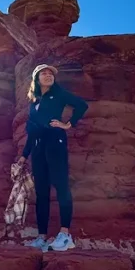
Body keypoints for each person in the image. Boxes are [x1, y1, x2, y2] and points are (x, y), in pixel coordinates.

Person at [17, 63, 88, 251]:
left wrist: (68, 124)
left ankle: (65, 235)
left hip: (55, 143)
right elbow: (31, 132)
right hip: (39, 149)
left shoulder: (59, 94)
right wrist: (24, 156)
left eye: (51, 73)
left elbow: (81, 105)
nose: (48, 76)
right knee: (42, 193)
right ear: (36, 78)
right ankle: (42, 238)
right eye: (44, 73)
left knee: (61, 186)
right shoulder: (34, 103)